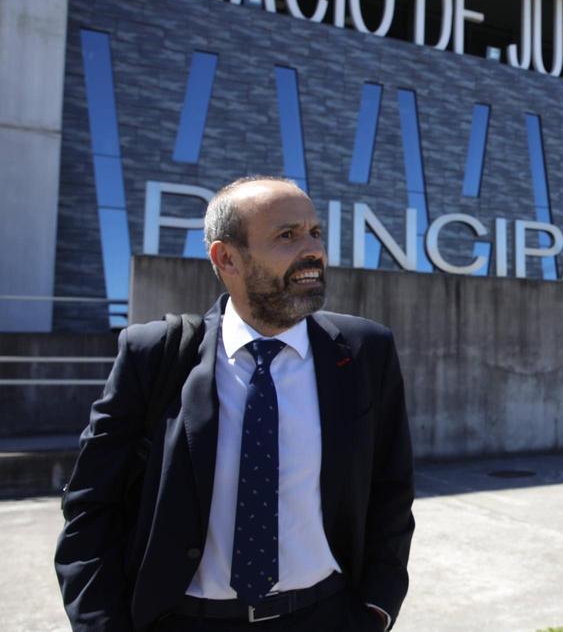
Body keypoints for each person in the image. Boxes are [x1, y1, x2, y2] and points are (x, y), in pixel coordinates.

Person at [55, 176, 415, 631]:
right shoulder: (154, 356)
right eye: (287, 235)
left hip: (325, 615)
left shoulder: (364, 351)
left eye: (315, 233)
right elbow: (91, 507)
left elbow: (391, 488)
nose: (313, 251)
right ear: (226, 258)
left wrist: (377, 609)